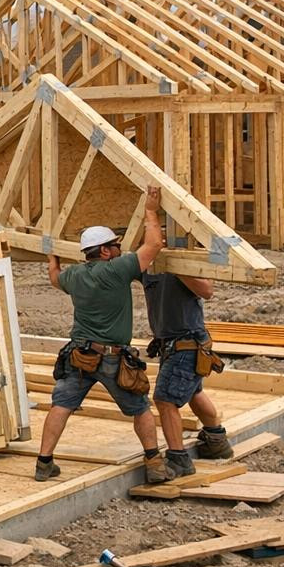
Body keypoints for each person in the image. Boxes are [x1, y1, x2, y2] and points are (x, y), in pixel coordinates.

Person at [36, 184, 173, 485]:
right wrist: (150, 211)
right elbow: (153, 246)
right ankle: (154, 462)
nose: (120, 249)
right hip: (112, 358)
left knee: (62, 405)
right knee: (140, 408)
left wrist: (52, 257)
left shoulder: (74, 276)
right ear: (105, 251)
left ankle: (44, 463)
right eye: (115, 245)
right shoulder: (117, 270)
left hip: (79, 355)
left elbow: (55, 278)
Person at [143, 264, 233, 477]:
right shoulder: (147, 265)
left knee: (165, 400)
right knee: (194, 392)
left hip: (186, 343)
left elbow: (207, 291)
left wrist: (176, 266)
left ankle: (179, 458)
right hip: (173, 344)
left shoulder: (184, 261)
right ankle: (216, 441)